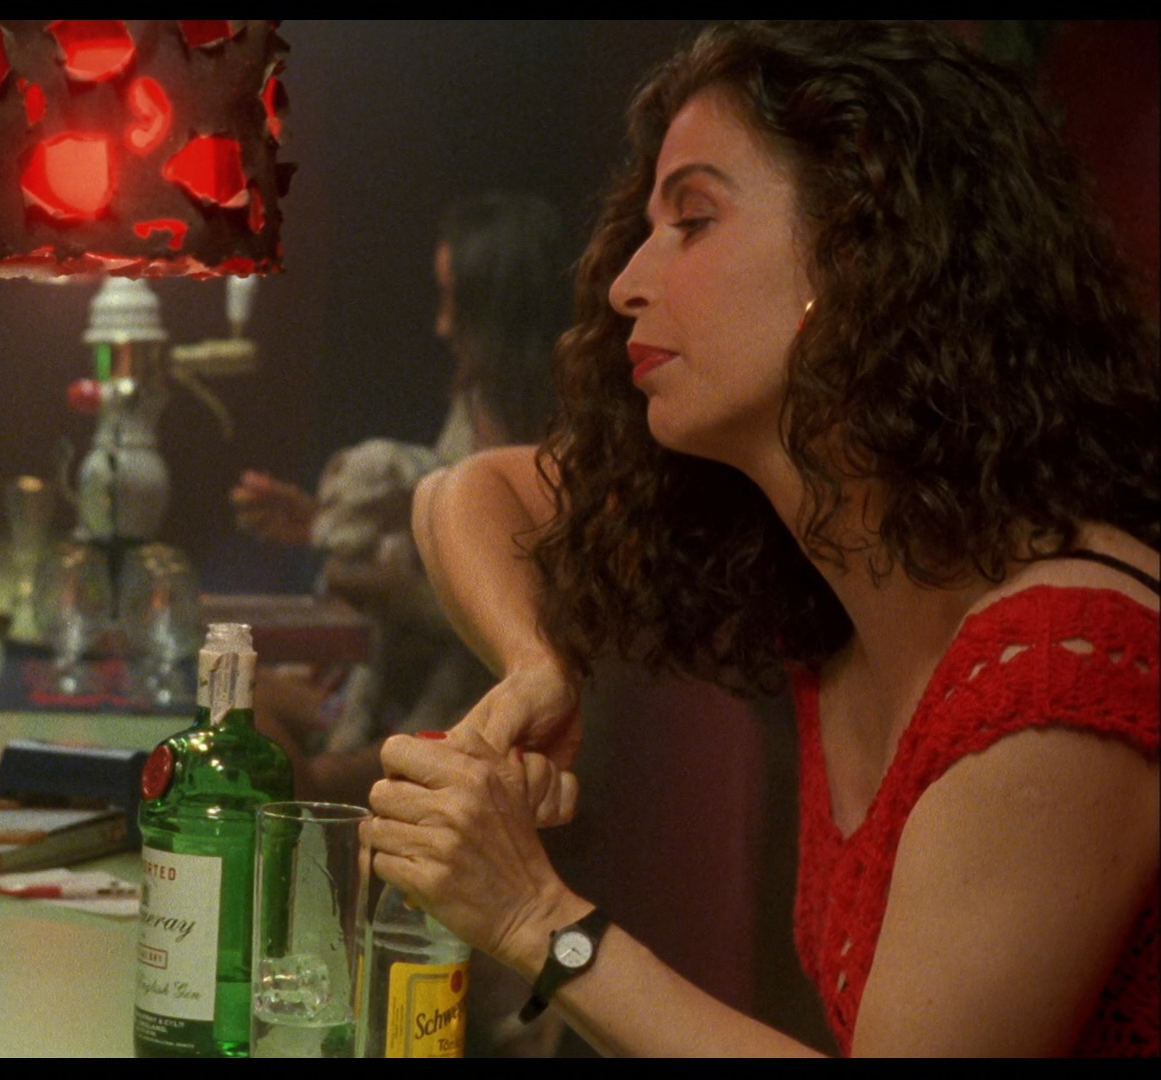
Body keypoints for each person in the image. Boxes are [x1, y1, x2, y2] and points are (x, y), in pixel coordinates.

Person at [369, 21, 1158, 1057]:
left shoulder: (1059, 663)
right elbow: (462, 497)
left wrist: (534, 919)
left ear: (862, 248)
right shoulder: (844, 578)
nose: (626, 282)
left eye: (692, 220)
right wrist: (537, 667)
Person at [233, 192, 567, 805]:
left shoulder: (559, 439)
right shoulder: (476, 400)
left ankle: (325, 810)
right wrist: (322, 523)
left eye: (456, 304)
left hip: (477, 718)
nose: (442, 326)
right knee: (229, 691)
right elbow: (429, 539)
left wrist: (398, 595)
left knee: (265, 756)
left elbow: (525, 629)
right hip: (403, 686)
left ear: (499, 310)